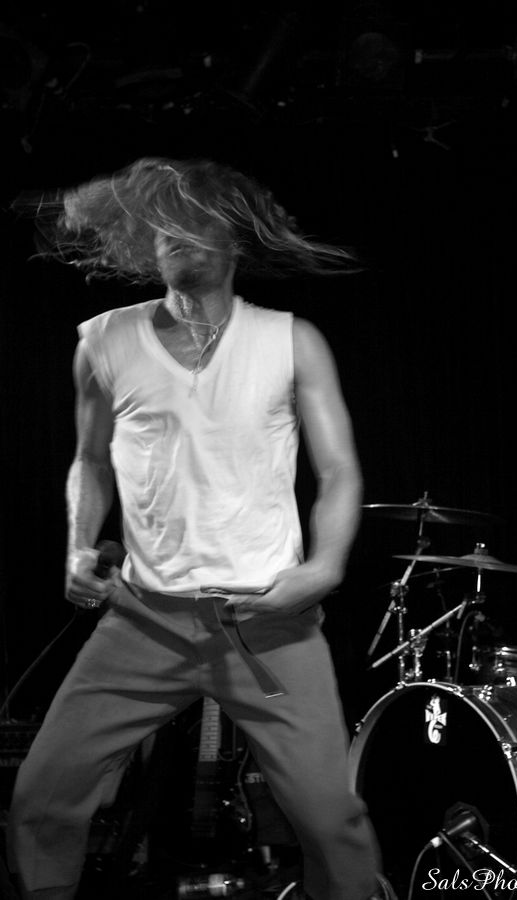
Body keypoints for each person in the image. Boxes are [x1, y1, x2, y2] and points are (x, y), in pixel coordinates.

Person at [7, 157, 396, 900]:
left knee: (331, 822)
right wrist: (79, 545)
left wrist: (324, 568)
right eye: (163, 227)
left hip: (265, 624)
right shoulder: (104, 341)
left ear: (234, 239)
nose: (177, 236)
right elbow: (89, 460)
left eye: (196, 222)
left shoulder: (290, 340)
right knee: (41, 796)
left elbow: (340, 470)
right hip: (143, 621)